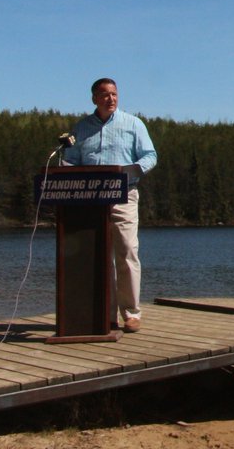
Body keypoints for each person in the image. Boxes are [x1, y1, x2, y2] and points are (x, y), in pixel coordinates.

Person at [63, 77, 158, 333]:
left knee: (126, 251)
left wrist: (137, 169)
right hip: (90, 201)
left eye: (114, 94)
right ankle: (104, 314)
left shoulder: (133, 124)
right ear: (94, 98)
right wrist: (66, 170)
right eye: (105, 95)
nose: (111, 99)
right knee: (96, 258)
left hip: (124, 196)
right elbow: (69, 159)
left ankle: (131, 313)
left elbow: (150, 155)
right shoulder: (81, 128)